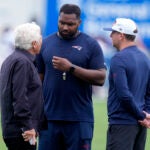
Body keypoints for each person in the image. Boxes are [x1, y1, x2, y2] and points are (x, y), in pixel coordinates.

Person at [36, 3, 106, 150]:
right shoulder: (46, 43)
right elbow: (38, 80)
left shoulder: (90, 44)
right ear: (58, 20)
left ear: (79, 23)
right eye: (62, 23)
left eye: (70, 24)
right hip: (49, 119)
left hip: (79, 119)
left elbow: (100, 78)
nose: (65, 27)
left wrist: (71, 68)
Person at [104, 18, 150, 150]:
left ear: (121, 35)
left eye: (113, 32)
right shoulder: (144, 57)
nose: (110, 35)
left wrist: (141, 115)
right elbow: (148, 92)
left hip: (122, 124)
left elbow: (124, 95)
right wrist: (145, 114)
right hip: (140, 125)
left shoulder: (118, 58)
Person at [0, 22, 47, 150]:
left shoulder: (11, 59)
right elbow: (19, 97)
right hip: (22, 132)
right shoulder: (23, 62)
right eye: (40, 37)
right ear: (34, 43)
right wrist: (28, 126)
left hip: (13, 129)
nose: (42, 40)